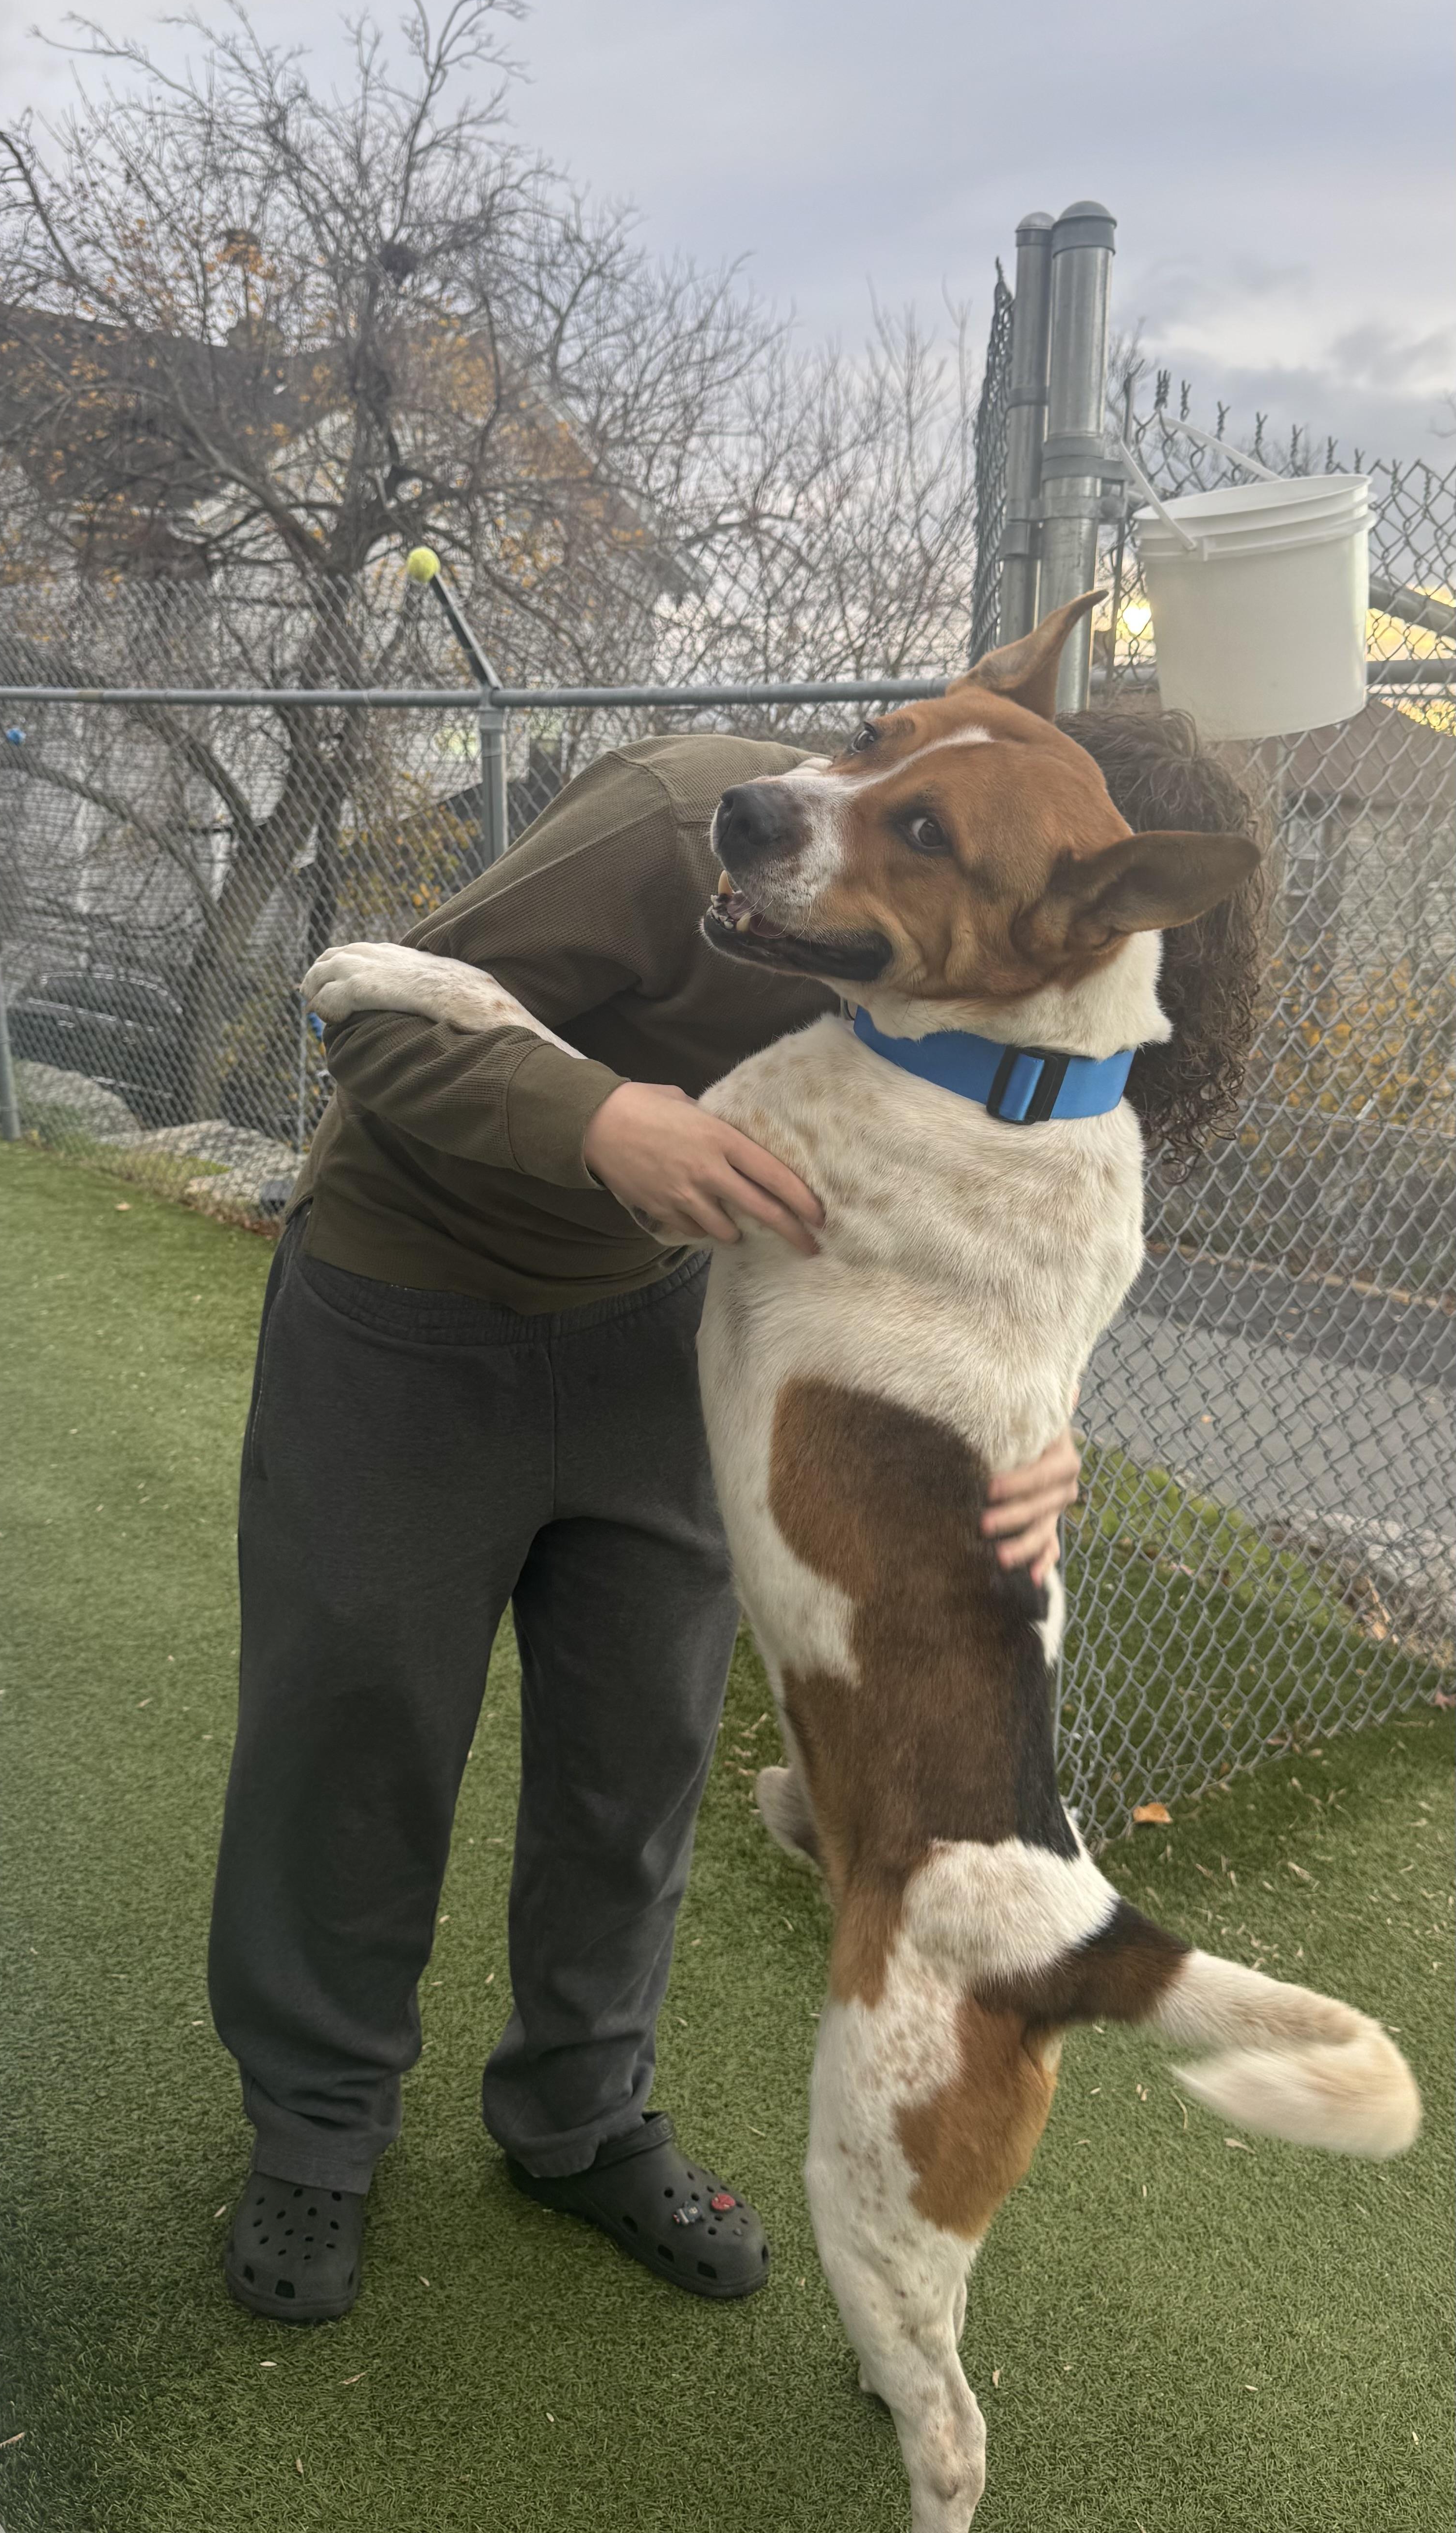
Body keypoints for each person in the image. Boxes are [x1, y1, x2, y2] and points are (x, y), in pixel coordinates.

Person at [208, 724, 1083, 2324]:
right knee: (358, 1730)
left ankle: (579, 2113)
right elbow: (372, 1009)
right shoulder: (689, 822)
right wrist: (602, 1118)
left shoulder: (1017, 990)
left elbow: (968, 1245)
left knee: (640, 1752)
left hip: (660, 1341)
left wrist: (1031, 1426)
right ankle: (318, 2128)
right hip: (407, 1304)